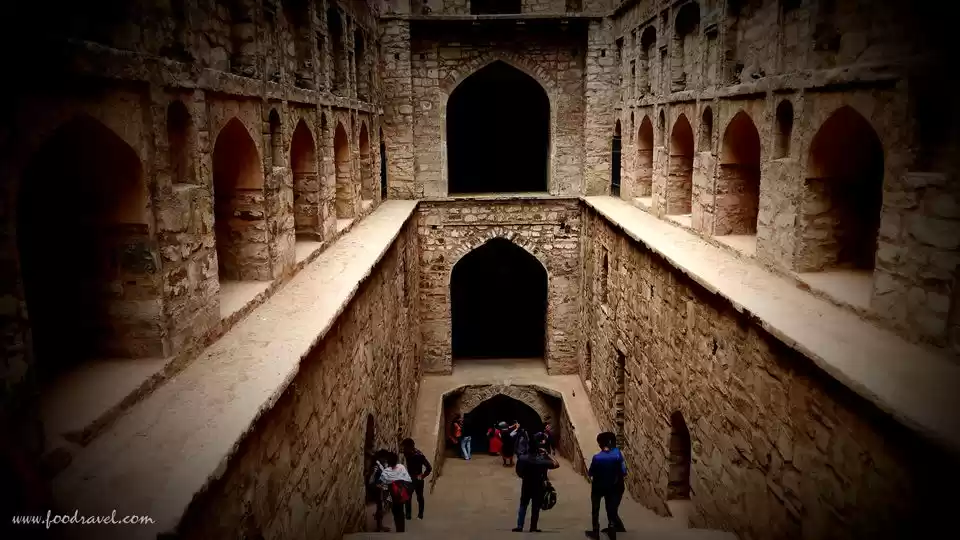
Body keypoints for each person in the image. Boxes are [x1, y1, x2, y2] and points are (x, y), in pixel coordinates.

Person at [585, 432, 627, 539]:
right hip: (612, 486)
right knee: (611, 508)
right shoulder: (617, 454)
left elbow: (591, 473)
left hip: (598, 486)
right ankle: (612, 529)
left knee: (595, 508)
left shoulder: (597, 457)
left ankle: (595, 532)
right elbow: (623, 471)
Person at [513, 438, 559, 532]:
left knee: (523, 505)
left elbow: (518, 472)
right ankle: (533, 527)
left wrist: (524, 477)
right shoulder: (541, 460)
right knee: (535, 507)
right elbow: (556, 464)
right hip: (538, 486)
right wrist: (547, 454)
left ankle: (519, 526)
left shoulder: (522, 458)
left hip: (526, 485)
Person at [378, 451, 413, 532]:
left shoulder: (386, 471)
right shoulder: (401, 467)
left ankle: (398, 528)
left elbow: (381, 482)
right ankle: (401, 530)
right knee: (400, 511)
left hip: (392, 495)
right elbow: (408, 479)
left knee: (395, 511)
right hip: (401, 492)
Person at [401, 438, 432, 520]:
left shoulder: (419, 455)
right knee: (409, 497)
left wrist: (422, 476)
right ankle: (409, 515)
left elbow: (429, 467)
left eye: (405, 447)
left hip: (417, 478)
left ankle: (419, 514)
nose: (403, 449)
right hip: (411, 477)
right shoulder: (407, 453)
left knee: (419, 497)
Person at [367, 449, 392, 532]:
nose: (386, 460)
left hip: (380, 487)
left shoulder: (380, 464)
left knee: (381, 506)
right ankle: (379, 525)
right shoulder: (376, 466)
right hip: (377, 488)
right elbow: (371, 479)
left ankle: (379, 524)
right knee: (380, 506)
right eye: (385, 458)